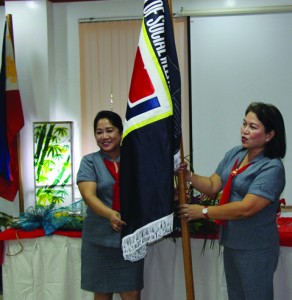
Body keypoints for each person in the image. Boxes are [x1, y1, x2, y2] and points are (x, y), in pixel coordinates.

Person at [179, 102, 286, 300]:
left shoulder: (272, 168)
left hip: (256, 248)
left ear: (270, 135)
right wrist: (189, 176)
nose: (244, 131)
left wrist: (203, 212)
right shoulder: (236, 154)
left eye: (252, 127)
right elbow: (212, 184)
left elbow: (246, 208)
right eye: (244, 124)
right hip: (232, 243)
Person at [77, 110, 144, 300]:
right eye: (99, 132)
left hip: (131, 239)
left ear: (120, 132)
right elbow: (89, 196)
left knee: (132, 293)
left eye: (109, 130)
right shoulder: (89, 162)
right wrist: (109, 215)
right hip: (98, 241)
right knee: (102, 294)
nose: (104, 136)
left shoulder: (135, 160)